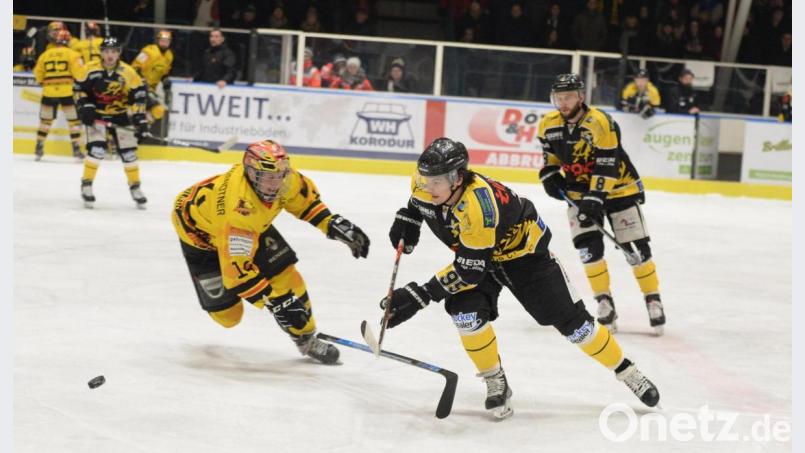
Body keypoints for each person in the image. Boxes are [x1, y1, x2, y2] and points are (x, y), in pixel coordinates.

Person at [382, 137, 661, 419]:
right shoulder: (423, 183)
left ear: (457, 178)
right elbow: (419, 203)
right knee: (466, 315)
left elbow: (469, 271)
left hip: (525, 258)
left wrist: (421, 294)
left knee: (576, 327)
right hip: (480, 256)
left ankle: (627, 371)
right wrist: (409, 217)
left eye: (437, 182)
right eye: (426, 179)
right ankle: (495, 379)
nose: (428, 187)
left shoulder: (479, 207)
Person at [171, 140, 370, 364]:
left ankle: (305, 338)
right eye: (268, 178)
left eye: (279, 176)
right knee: (228, 318)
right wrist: (277, 302)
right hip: (202, 239)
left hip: (251, 230)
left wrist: (331, 223)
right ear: (251, 173)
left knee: (286, 274)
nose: (275, 184)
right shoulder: (239, 209)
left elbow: (303, 202)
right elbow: (238, 273)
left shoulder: (284, 178)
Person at [537, 74, 666, 335]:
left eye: (569, 97)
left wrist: (594, 199)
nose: (563, 102)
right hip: (579, 194)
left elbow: (607, 164)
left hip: (619, 190)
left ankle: (653, 299)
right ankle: (604, 301)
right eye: (559, 97)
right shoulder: (548, 124)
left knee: (636, 248)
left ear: (581, 97)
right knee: (588, 249)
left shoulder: (599, 122)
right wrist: (549, 175)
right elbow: (550, 157)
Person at [74, 36, 149, 209]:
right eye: (107, 51)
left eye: (114, 51)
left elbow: (138, 96)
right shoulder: (89, 69)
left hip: (120, 116)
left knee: (129, 153)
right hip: (97, 116)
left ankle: (135, 187)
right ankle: (86, 185)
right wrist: (85, 106)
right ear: (101, 53)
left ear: (119, 53)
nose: (110, 55)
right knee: (97, 150)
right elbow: (78, 89)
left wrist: (140, 120)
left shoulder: (128, 72)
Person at [32, 29, 85, 161]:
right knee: (73, 121)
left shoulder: (44, 55)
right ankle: (76, 148)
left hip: (48, 91)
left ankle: (39, 146)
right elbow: (80, 74)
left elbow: (38, 75)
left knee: (45, 121)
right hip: (67, 91)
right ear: (68, 40)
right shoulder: (73, 54)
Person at [131, 29, 174, 123]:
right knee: (143, 108)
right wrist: (142, 82)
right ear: (158, 40)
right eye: (162, 40)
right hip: (138, 86)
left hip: (151, 90)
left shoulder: (169, 56)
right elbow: (135, 68)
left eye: (167, 41)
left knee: (159, 111)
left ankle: (144, 127)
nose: (164, 43)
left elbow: (164, 74)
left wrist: (167, 87)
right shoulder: (148, 51)